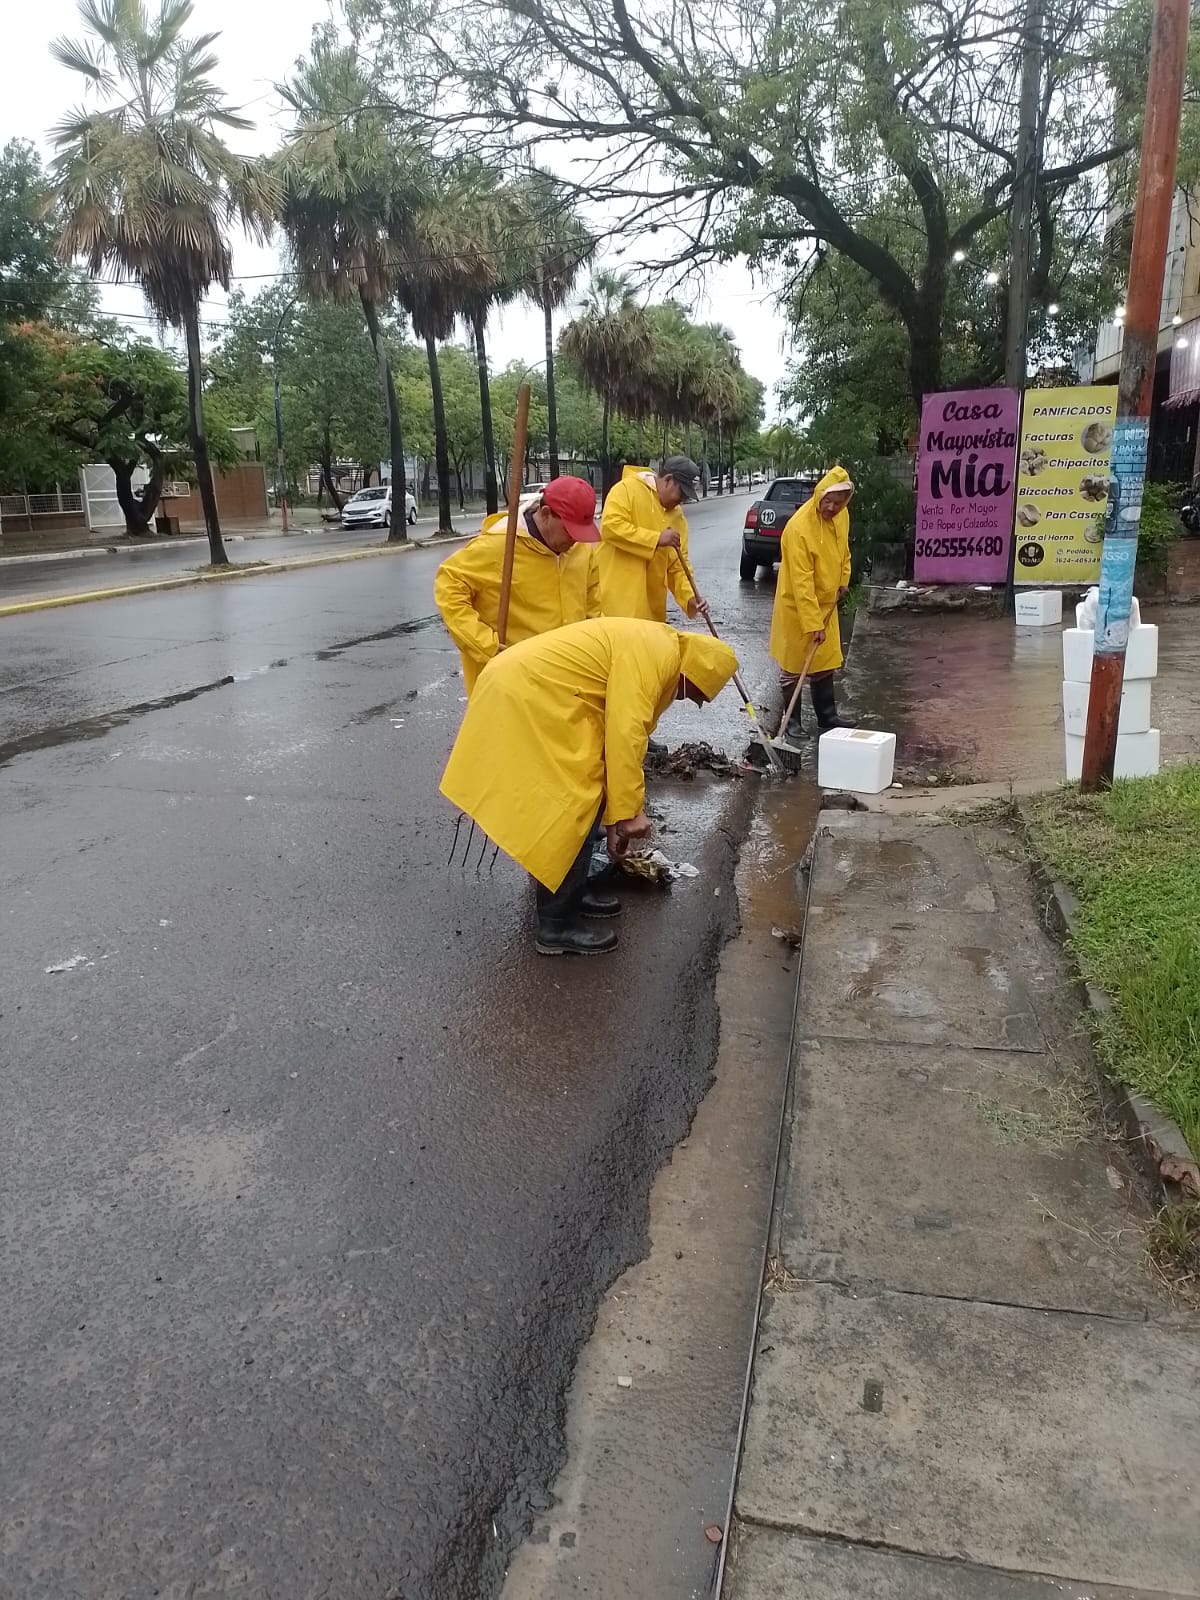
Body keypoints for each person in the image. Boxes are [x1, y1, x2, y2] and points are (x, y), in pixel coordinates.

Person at [440, 618, 738, 956]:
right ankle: (555, 925)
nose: (687, 700)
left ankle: (573, 894)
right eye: (694, 694)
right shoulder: (656, 657)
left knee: (587, 796)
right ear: (691, 675)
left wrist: (617, 819)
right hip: (527, 694)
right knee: (571, 803)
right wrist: (627, 815)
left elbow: (622, 740)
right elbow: (625, 736)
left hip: (539, 692)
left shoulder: (661, 649)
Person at [433, 476, 601, 695]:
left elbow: (593, 609)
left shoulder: (582, 552)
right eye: (570, 530)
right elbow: (449, 586)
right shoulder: (501, 546)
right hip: (513, 681)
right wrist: (485, 644)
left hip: (567, 680)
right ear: (546, 514)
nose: (576, 540)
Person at [598, 455, 712, 753]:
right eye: (680, 493)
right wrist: (655, 538)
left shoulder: (677, 519)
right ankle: (605, 738)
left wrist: (690, 597)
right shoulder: (626, 491)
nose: (681, 502)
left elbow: (678, 566)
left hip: (649, 610)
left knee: (643, 679)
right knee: (612, 677)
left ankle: (638, 735)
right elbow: (610, 528)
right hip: (615, 603)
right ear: (668, 480)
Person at [769, 466, 856, 742]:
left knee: (824, 660)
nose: (831, 508)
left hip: (826, 602)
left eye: (838, 503)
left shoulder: (841, 517)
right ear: (818, 495)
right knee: (795, 663)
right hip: (798, 605)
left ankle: (827, 715)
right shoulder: (799, 529)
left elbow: (844, 552)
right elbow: (801, 582)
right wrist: (812, 623)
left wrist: (843, 580)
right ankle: (792, 721)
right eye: (827, 501)